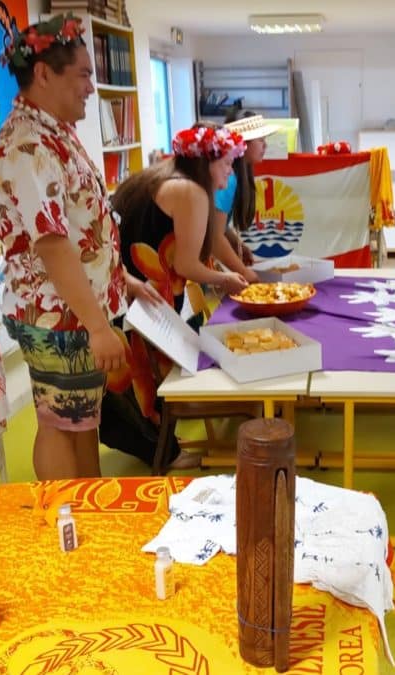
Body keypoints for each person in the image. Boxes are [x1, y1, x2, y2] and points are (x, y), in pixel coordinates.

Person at [0, 15, 160, 480]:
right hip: (57, 315)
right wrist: (99, 326)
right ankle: (64, 527)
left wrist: (120, 280)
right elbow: (51, 243)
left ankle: (86, 518)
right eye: (83, 74)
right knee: (62, 425)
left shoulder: (55, 132)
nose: (91, 87)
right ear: (44, 73)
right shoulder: (27, 144)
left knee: (82, 422)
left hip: (76, 310)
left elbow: (83, 227)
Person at [99, 125, 250, 470]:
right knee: (145, 372)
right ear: (207, 163)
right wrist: (226, 278)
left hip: (130, 282)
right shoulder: (191, 192)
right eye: (226, 164)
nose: (230, 171)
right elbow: (186, 263)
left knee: (145, 370)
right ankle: (163, 451)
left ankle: (161, 445)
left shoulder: (166, 176)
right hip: (141, 288)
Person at [214, 110, 282, 271]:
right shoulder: (229, 179)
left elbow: (218, 226)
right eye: (260, 139)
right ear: (243, 144)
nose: (265, 145)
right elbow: (214, 236)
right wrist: (245, 273)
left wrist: (238, 245)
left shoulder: (235, 176)